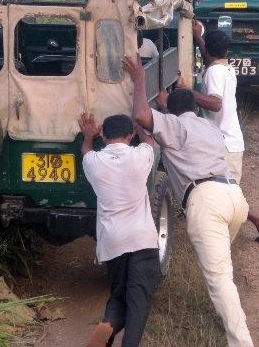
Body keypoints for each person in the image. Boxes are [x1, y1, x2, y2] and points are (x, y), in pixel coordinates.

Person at [122, 53, 254, 347]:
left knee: (220, 281)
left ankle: (243, 343)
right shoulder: (209, 127)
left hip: (207, 202)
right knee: (222, 269)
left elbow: (144, 117)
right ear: (195, 107)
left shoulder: (176, 127)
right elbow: (157, 128)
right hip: (234, 197)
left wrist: (140, 81)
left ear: (169, 109)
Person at [79, 113, 160, 347]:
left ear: (103, 135)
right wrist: (141, 126)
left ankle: (109, 323)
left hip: (112, 243)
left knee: (119, 296)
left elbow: (86, 151)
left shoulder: (94, 162)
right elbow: (150, 142)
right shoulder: (139, 156)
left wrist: (87, 137)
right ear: (130, 135)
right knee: (139, 300)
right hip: (142, 239)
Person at [189, 24, 259, 243]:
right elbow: (210, 60)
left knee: (229, 196)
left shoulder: (215, 71)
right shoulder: (224, 67)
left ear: (206, 52)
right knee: (228, 194)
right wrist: (199, 37)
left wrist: (190, 93)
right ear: (227, 51)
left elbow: (215, 104)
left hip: (225, 144)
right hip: (228, 141)